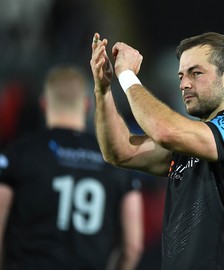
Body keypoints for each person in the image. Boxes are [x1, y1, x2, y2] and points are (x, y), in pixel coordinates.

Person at [90, 32, 224, 270]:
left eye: (196, 73)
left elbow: (164, 130)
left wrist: (127, 76)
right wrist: (103, 90)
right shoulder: (192, 142)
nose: (184, 84)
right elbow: (120, 151)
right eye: (181, 75)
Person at [0, 65, 144, 270]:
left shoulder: (18, 155)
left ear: (44, 104)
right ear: (87, 105)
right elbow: (133, 246)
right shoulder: (115, 162)